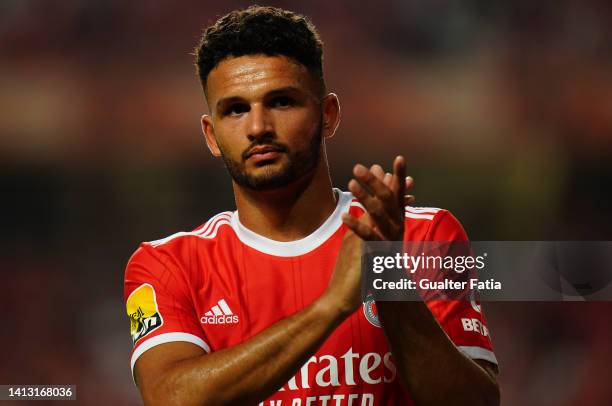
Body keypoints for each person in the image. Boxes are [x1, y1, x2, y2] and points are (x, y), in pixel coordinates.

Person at [124, 6, 499, 405]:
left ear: (328, 115)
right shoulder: (167, 266)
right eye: (235, 109)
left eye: (281, 102)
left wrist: (388, 279)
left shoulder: (423, 237)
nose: (258, 127)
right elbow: (169, 398)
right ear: (211, 135)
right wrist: (332, 306)